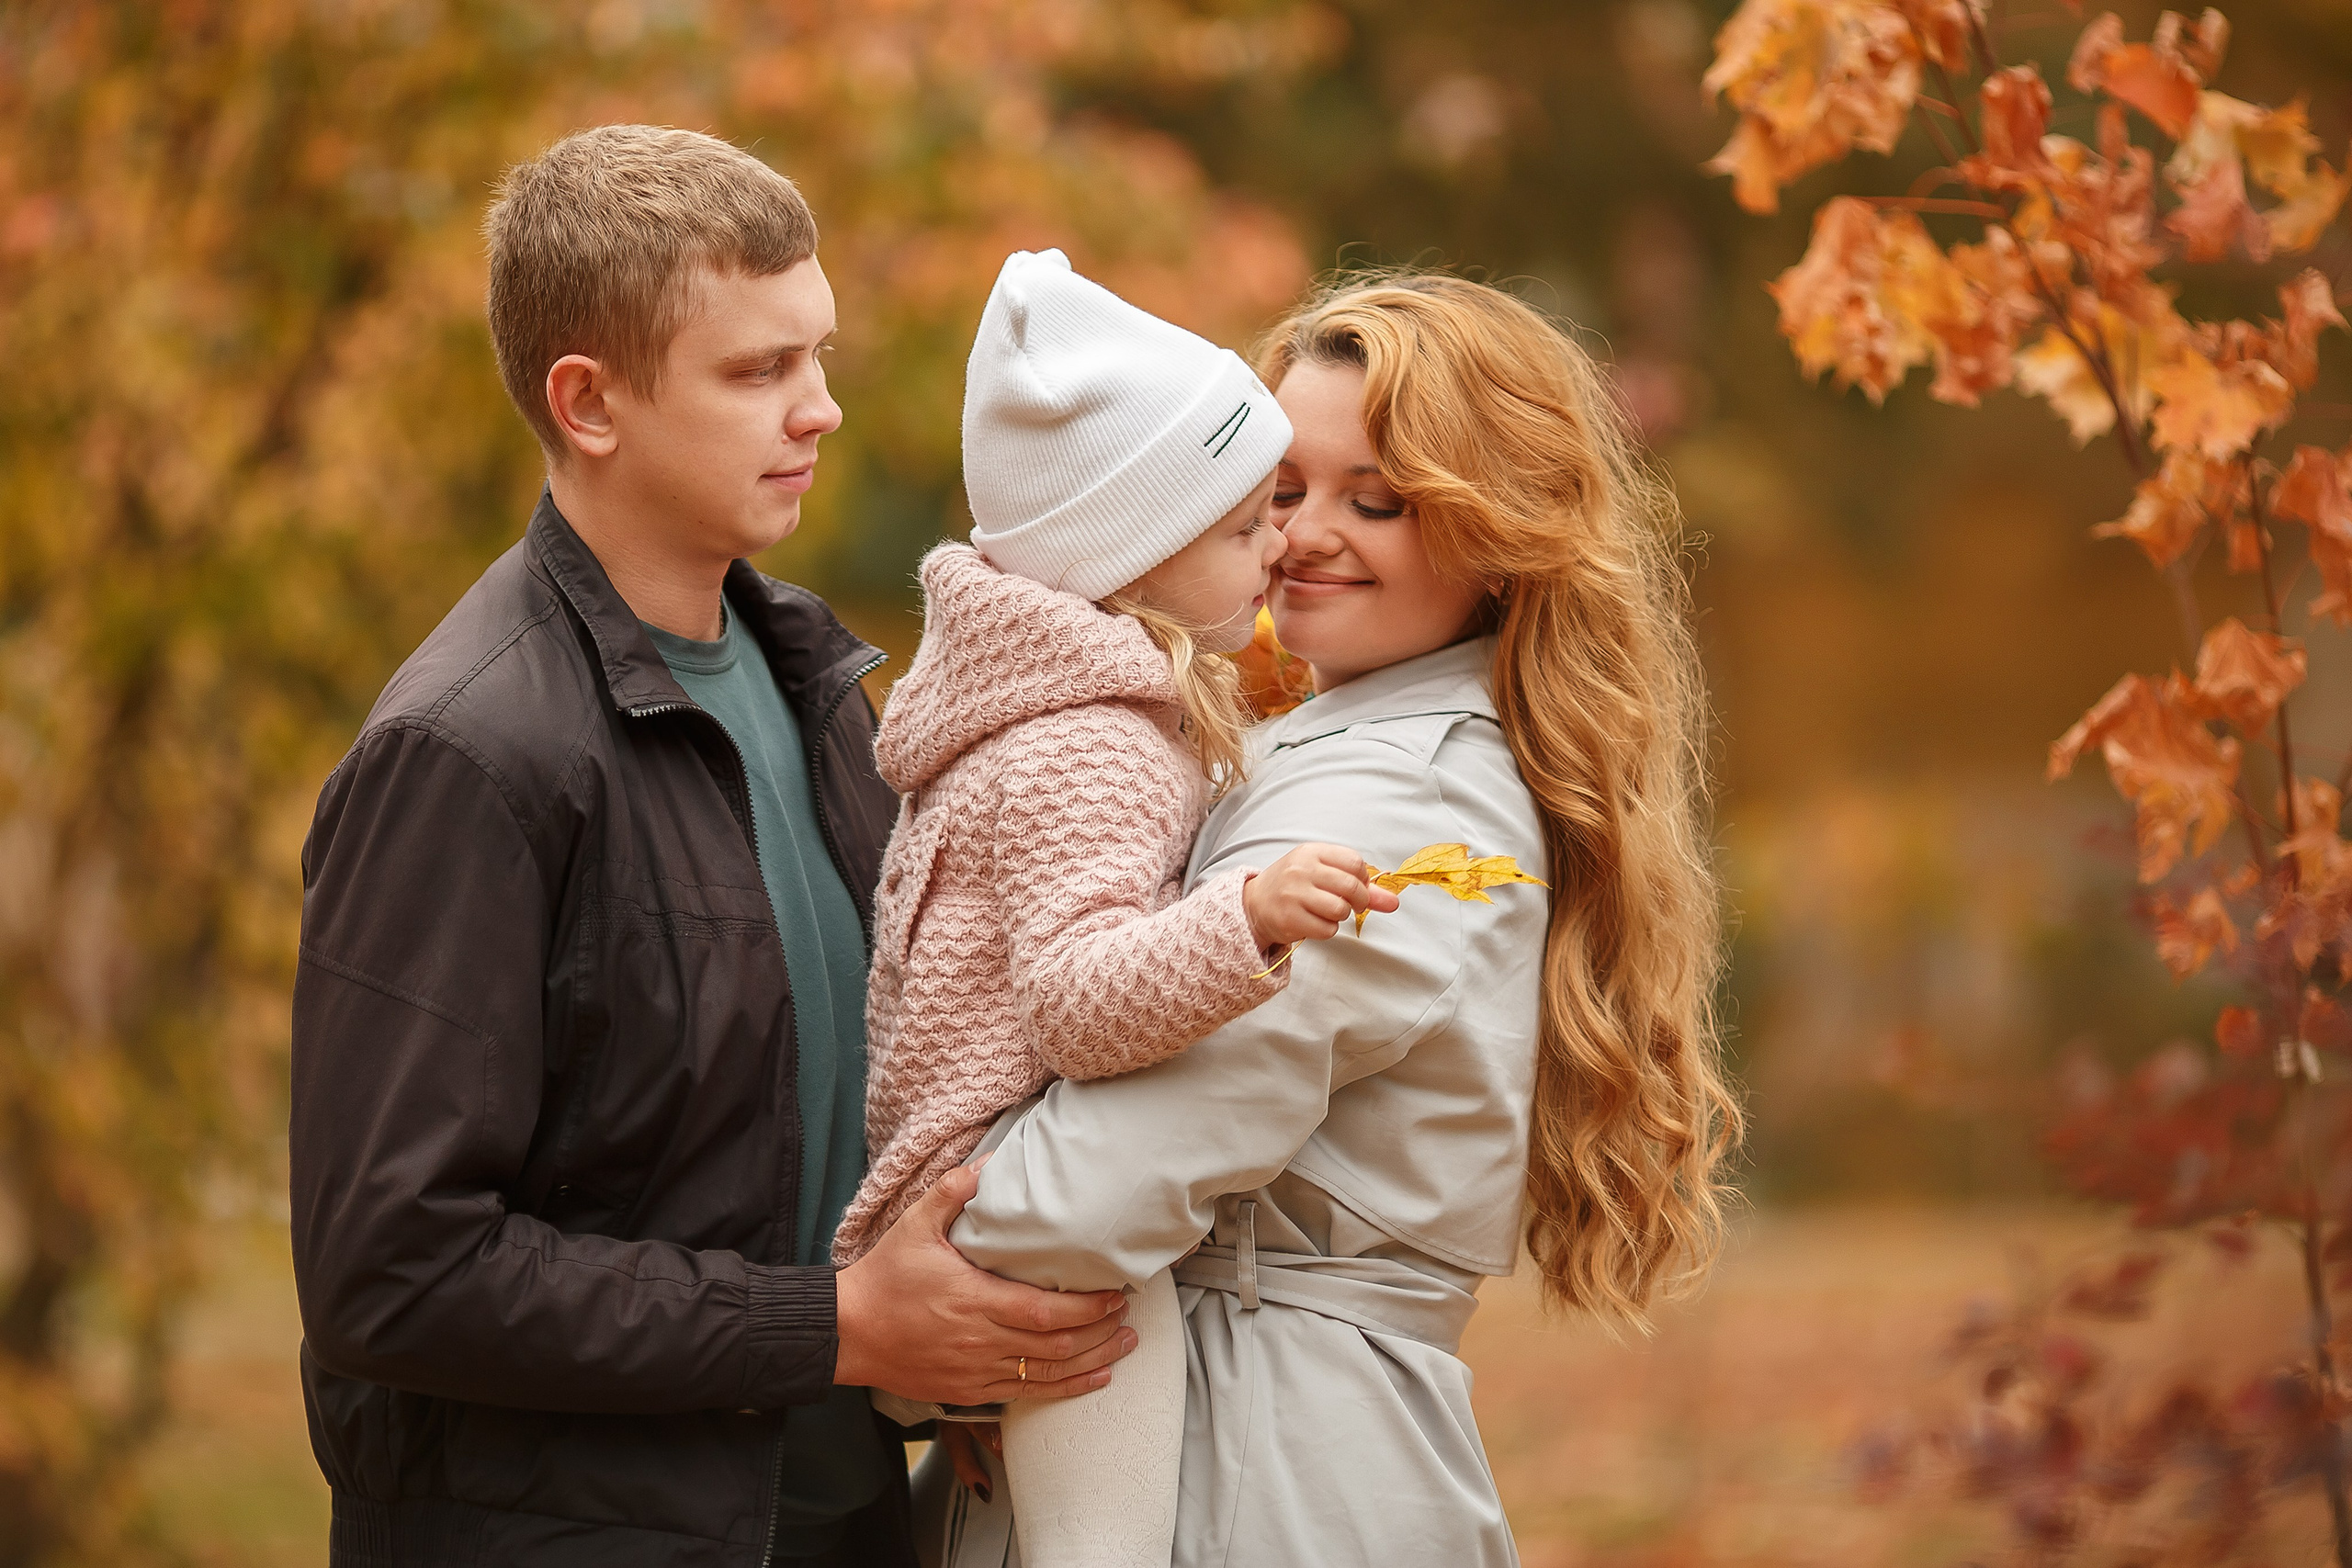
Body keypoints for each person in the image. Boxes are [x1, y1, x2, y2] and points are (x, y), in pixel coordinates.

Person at [287, 127, 1136, 1568]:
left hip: (837, 1520)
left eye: (816, 355)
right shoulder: (468, 754)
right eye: (758, 372)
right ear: (589, 402)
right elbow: (396, 1271)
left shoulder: (821, 687)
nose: (824, 411)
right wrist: (834, 1330)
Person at [938, 273, 1744, 1566]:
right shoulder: (1335, 743)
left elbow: (1095, 1186)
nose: (1304, 536)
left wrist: (862, 1303)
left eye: (1376, 500)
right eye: (1279, 490)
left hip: (1263, 1470)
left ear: (1500, 532)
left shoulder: (1396, 809)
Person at [828, 249, 1396, 1568]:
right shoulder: (1087, 743)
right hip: (1026, 1228)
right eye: (1245, 523)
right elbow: (1079, 1007)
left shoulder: (1048, 709)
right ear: (1134, 552)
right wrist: (1244, 916)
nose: (1282, 546)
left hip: (968, 1191)